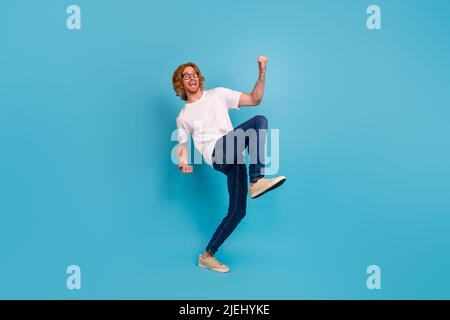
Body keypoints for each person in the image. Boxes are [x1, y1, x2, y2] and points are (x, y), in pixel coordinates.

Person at [172, 56, 286, 273]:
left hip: (234, 157)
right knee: (258, 122)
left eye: (194, 74)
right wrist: (183, 161)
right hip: (216, 153)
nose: (192, 78)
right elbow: (181, 143)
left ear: (199, 77)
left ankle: (206, 256)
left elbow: (255, 99)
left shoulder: (218, 94)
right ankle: (257, 180)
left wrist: (262, 72)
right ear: (180, 83)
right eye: (186, 76)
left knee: (237, 211)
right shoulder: (184, 115)